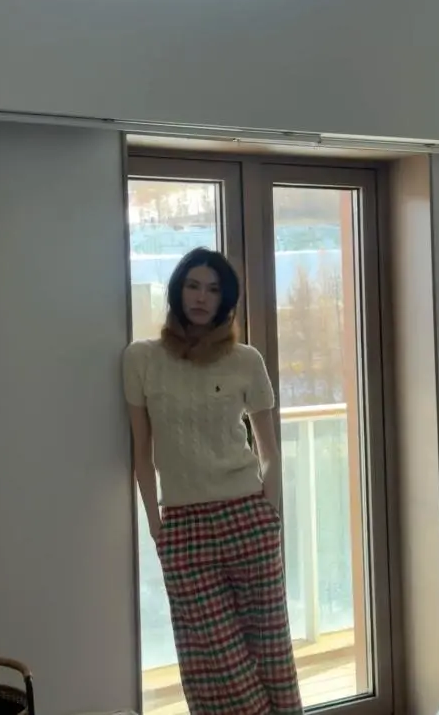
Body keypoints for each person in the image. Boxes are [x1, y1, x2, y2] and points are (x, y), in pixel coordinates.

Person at [123, 247, 303, 715]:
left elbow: (270, 451)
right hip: (183, 526)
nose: (201, 297)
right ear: (177, 291)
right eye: (193, 286)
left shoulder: (245, 360)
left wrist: (268, 514)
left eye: (213, 289)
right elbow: (141, 454)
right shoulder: (142, 358)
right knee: (214, 664)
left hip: (247, 517)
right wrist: (157, 527)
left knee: (271, 655)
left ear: (226, 300)